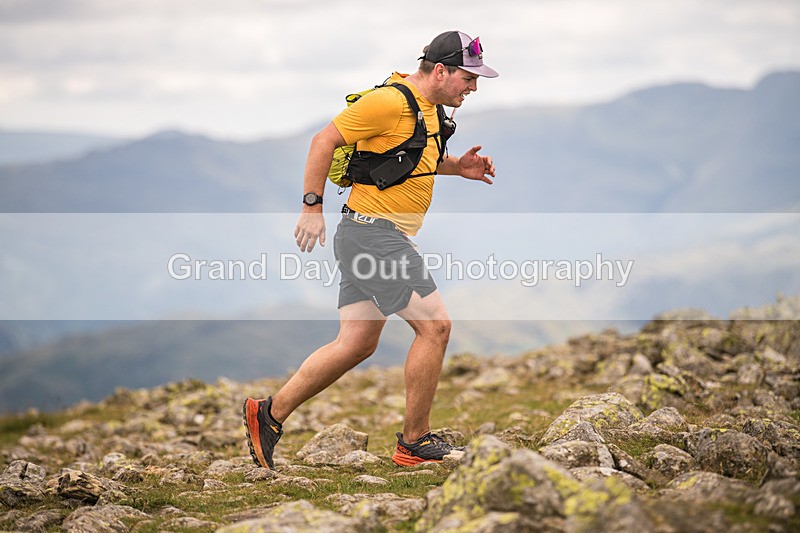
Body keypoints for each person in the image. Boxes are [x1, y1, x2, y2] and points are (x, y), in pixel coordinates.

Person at [243, 30, 499, 469]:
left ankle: (268, 414)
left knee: (356, 343)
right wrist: (311, 207)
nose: (473, 87)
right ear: (440, 71)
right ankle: (414, 442)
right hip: (374, 235)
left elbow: (411, 158)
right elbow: (323, 141)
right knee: (435, 328)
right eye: (468, 78)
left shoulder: (429, 109)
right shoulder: (389, 101)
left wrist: (459, 167)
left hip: (365, 234)